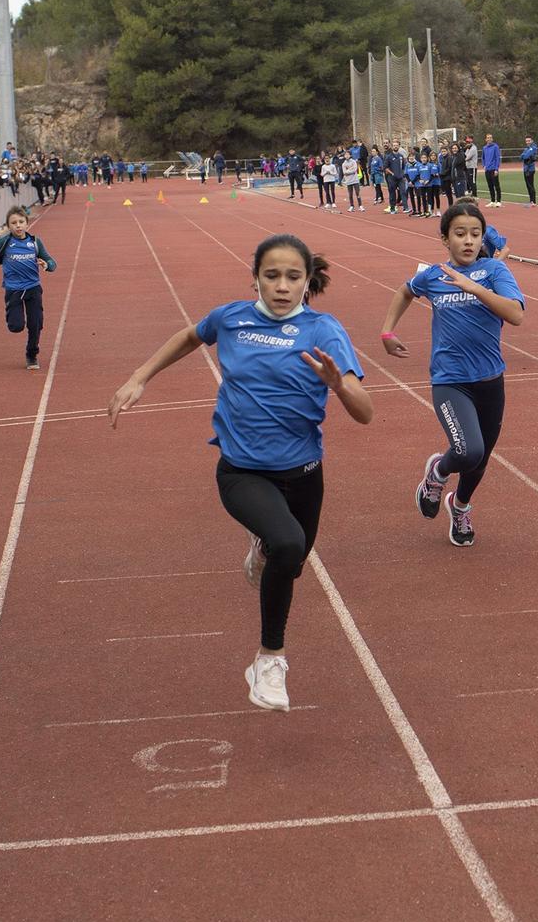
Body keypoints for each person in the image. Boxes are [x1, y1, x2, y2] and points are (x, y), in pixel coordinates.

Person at [107, 233, 373, 713]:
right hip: (241, 472)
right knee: (289, 545)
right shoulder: (231, 318)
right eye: (271, 275)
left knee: (289, 560)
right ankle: (270, 659)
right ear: (255, 278)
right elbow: (190, 337)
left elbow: (366, 412)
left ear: (308, 281)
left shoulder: (324, 330)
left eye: (294, 277)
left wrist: (339, 386)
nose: (282, 286)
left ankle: (263, 548)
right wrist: (139, 376)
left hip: (305, 475)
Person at [380, 201, 525, 548]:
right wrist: (387, 332)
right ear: (445, 238)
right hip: (450, 380)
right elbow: (404, 291)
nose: (469, 241)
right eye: (460, 234)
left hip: (490, 380)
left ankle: (459, 507)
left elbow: (516, 315)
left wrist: (474, 287)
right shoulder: (433, 275)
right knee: (468, 450)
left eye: (475, 234)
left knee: (480, 459)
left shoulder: (495, 272)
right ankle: (437, 474)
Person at [0, 206, 58, 370]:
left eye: (21, 222)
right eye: (14, 223)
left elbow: (52, 263)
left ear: (27, 223)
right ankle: (13, 318)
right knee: (16, 327)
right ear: (8, 226)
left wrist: (47, 265)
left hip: (33, 288)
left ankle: (32, 354)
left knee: (35, 324)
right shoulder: (4, 243)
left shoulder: (35, 242)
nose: (18, 226)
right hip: (14, 290)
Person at [481, 134, 503, 204]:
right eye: (488, 138)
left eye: (490, 138)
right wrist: (484, 165)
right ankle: (492, 201)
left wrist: (496, 169)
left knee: (496, 185)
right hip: (487, 169)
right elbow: (483, 157)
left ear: (492, 139)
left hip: (494, 169)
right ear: (486, 139)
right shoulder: (484, 148)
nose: (489, 139)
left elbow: (497, 158)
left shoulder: (495, 147)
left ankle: (499, 201)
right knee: (490, 186)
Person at [519, 137, 538, 205]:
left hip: (530, 169)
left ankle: (533, 201)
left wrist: (525, 155)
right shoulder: (526, 149)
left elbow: (526, 156)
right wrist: (524, 155)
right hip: (525, 169)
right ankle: (531, 200)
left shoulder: (533, 148)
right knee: (527, 185)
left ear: (532, 141)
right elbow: (521, 157)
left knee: (531, 185)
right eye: (526, 141)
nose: (527, 142)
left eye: (529, 141)